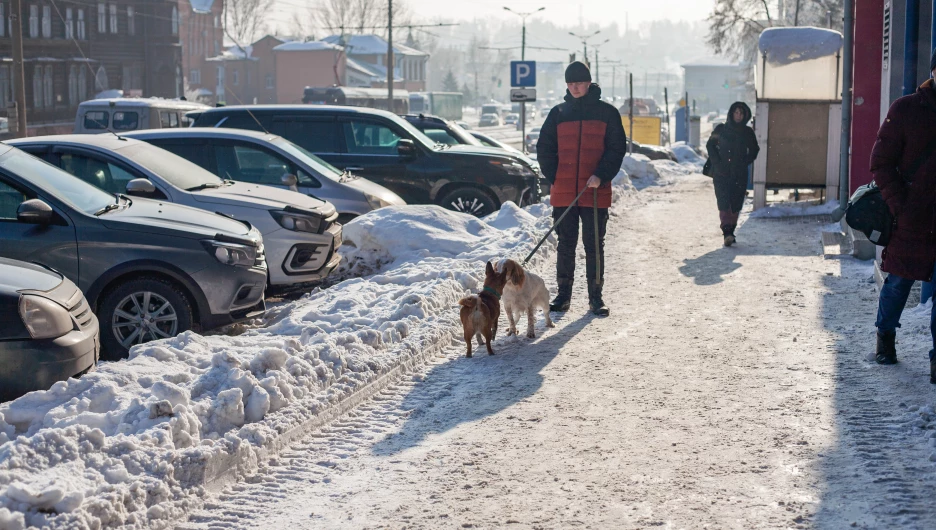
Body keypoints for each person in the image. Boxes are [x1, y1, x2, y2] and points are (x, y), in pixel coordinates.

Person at [537, 61, 628, 316]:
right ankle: (563, 295)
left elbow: (616, 148)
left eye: (579, 82)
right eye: (570, 83)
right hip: (564, 191)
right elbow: (544, 148)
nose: (575, 87)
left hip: (595, 191)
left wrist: (601, 174)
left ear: (589, 83)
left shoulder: (607, 113)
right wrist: (555, 175)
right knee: (565, 244)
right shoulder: (558, 113)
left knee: (594, 245)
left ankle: (595, 297)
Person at [870, 49, 936, 384]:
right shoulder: (907, 108)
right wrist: (900, 205)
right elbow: (881, 162)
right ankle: (885, 337)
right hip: (913, 215)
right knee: (899, 281)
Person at [705, 102, 760, 246]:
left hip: (739, 173)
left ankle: (731, 229)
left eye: (741, 113)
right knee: (723, 201)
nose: (738, 115)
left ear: (745, 115)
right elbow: (710, 145)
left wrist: (744, 162)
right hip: (721, 172)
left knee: (736, 202)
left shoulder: (747, 132)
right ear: (731, 113)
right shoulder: (721, 129)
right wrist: (717, 163)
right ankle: (727, 231)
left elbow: (754, 150)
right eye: (736, 112)